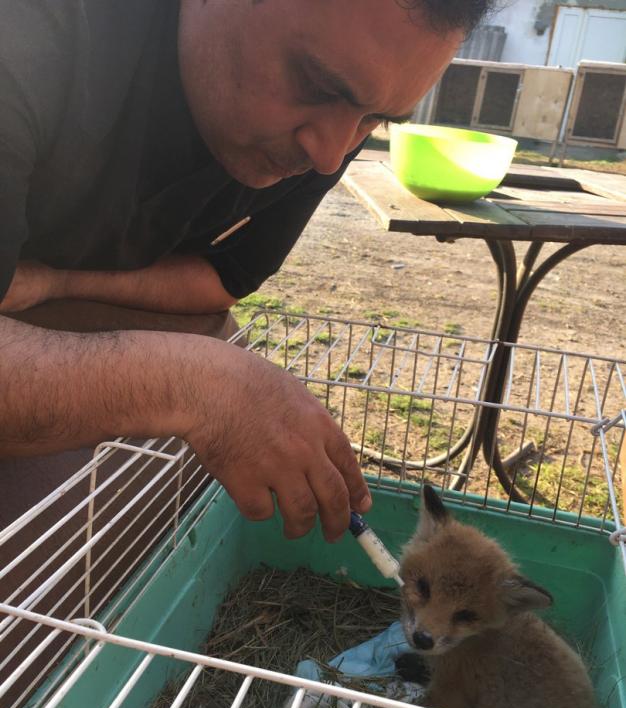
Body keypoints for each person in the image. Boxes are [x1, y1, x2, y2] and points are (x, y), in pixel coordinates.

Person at [0, 0, 491, 542]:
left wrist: (57, 281)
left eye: (376, 119)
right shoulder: (30, 32)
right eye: (317, 83)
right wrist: (194, 384)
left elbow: (223, 277)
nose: (331, 156)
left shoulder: (330, 130)